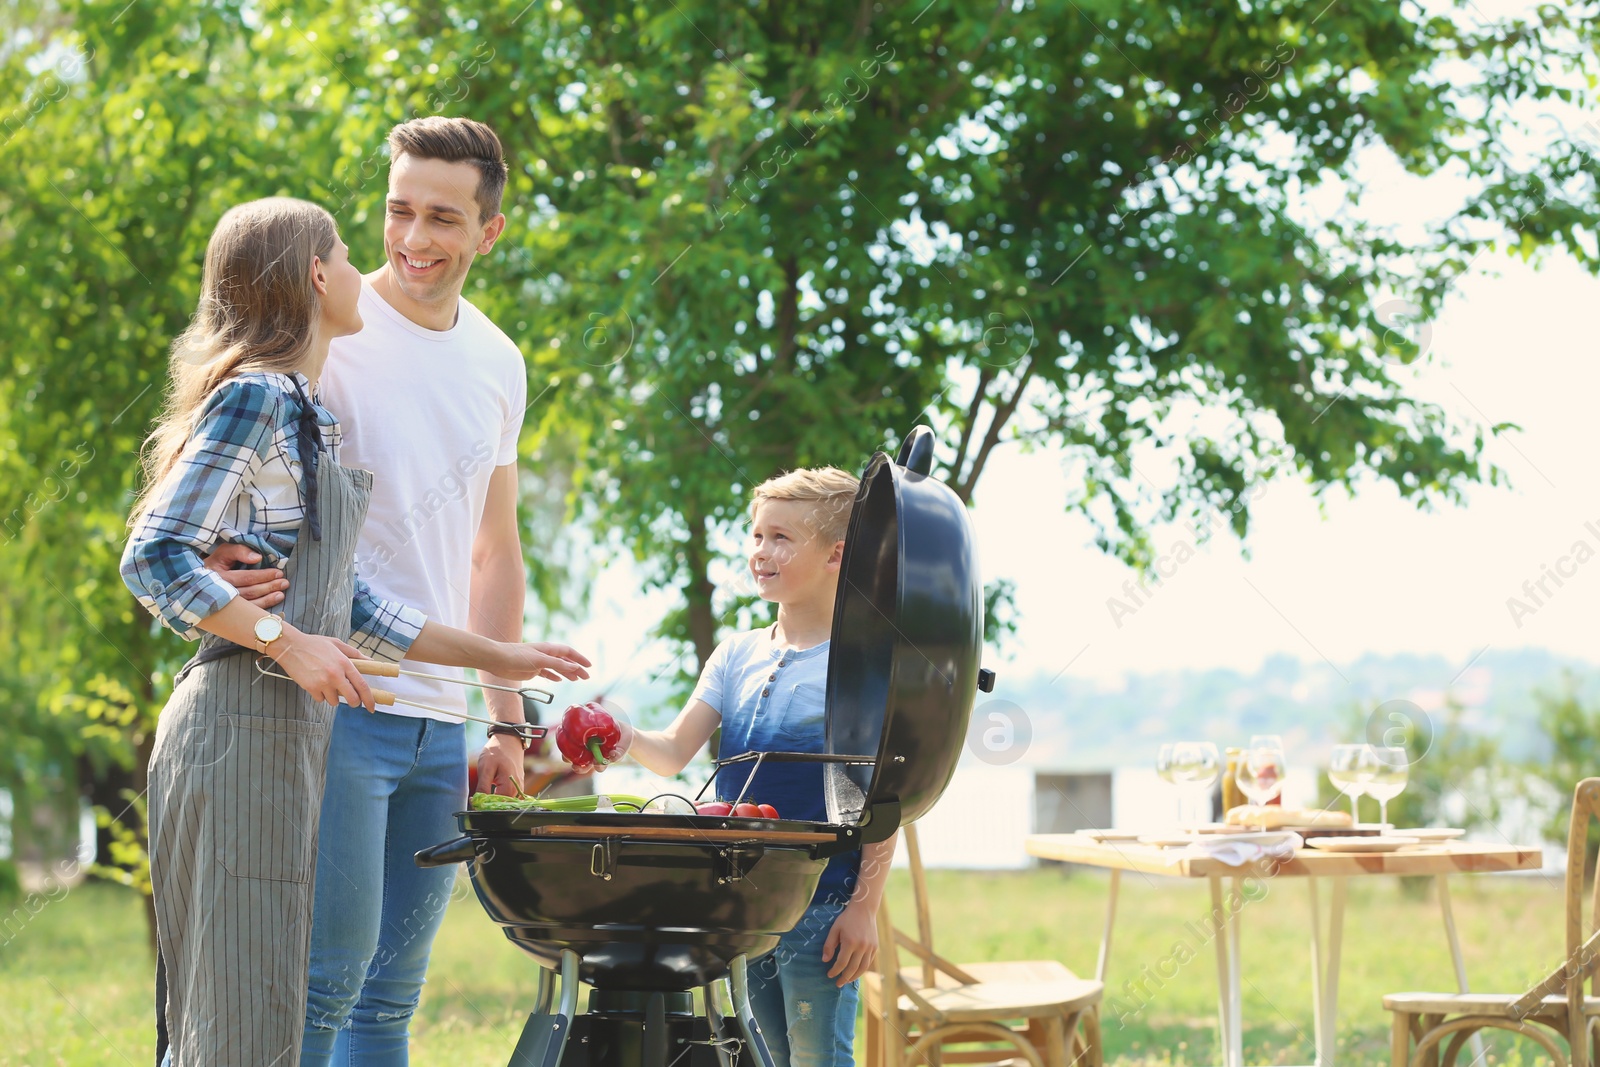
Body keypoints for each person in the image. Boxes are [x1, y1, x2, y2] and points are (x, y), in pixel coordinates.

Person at [121, 196, 591, 1067]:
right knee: (247, 1001)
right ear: (314, 276)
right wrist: (287, 639)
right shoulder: (257, 394)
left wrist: (502, 661)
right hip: (238, 720)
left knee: (280, 1000)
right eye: (346, 248)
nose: (365, 262)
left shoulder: (308, 413)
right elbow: (152, 555)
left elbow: (357, 606)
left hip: (283, 725)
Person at [201, 117, 544, 1063]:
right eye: (398, 211)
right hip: (333, 701)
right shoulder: (333, 329)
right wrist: (225, 550)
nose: (414, 239)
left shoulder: (499, 360)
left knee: (391, 999)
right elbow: (220, 463)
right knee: (320, 987)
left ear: (488, 232)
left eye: (442, 217)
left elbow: (494, 549)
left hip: (442, 718)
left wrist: (506, 722)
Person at [588, 466, 895, 1067]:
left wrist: (864, 908)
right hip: (736, 907)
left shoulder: (862, 668)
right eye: (756, 536)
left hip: (821, 901)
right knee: (758, 1057)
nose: (760, 552)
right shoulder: (735, 655)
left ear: (836, 556)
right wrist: (621, 736)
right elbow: (674, 751)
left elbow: (886, 798)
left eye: (781, 538)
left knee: (818, 1058)